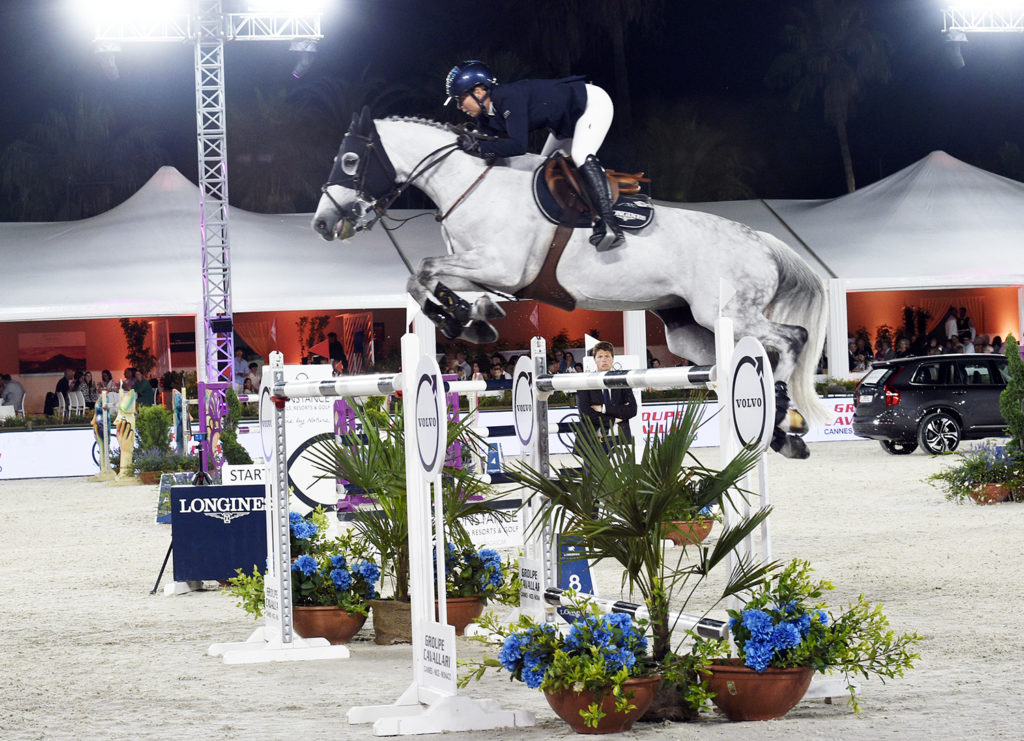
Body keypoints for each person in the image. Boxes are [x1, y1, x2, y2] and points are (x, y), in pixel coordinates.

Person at [445, 59, 625, 251]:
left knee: (581, 155)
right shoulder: (485, 117)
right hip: (564, 124)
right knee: (541, 167)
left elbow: (518, 146)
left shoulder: (508, 97)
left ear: (479, 91)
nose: (459, 107)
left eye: (460, 99)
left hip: (590, 104)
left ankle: (609, 223)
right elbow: (489, 152)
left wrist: (479, 147)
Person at [575, 341, 637, 449]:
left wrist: (603, 408)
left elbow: (632, 409)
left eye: (607, 356)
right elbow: (586, 413)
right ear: (594, 359)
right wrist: (613, 420)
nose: (604, 359)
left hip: (620, 440)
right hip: (593, 442)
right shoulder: (585, 382)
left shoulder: (621, 381)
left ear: (613, 358)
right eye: (600, 356)